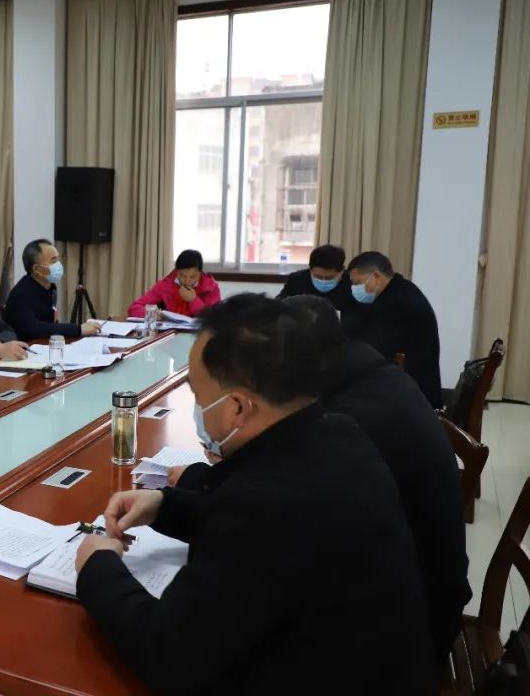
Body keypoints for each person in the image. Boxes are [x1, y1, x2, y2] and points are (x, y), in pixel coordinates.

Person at [73, 294, 435, 695]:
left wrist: (97, 567)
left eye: (198, 397)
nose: (197, 409)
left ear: (237, 409)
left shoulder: (265, 505)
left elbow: (169, 656)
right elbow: (265, 536)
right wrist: (165, 505)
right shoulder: (337, 433)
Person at [284, 295, 469, 662]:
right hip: (414, 588)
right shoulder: (366, 371)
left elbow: (288, 512)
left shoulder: (350, 417)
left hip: (410, 629)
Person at [346, 251, 443, 408]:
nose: (354, 289)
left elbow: (373, 349)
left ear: (376, 276)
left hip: (414, 397)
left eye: (357, 283)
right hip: (409, 387)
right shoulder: (400, 290)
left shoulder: (397, 302)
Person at [4, 239, 101, 341]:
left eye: (58, 259)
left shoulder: (50, 287)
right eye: (53, 261)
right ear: (37, 269)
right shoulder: (20, 295)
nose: (58, 265)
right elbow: (34, 329)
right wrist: (78, 329)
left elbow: (51, 323)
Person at [127, 249, 221, 319]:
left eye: (193, 277)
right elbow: (134, 308)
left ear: (200, 273)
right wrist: (153, 314)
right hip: (170, 333)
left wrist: (193, 301)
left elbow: (215, 319)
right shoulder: (166, 284)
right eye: (182, 275)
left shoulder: (211, 287)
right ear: (176, 271)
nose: (187, 281)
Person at [277, 244, 358, 319]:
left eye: (329, 277)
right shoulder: (297, 279)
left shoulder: (354, 283)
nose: (323, 281)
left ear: (342, 271)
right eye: (318, 276)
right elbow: (279, 304)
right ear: (310, 269)